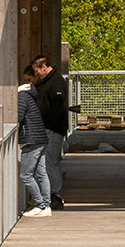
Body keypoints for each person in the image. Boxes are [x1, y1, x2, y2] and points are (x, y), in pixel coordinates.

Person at [31, 53, 70, 208]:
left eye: (36, 71)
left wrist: (49, 125)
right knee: (51, 161)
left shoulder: (56, 82)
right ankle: (53, 193)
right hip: (50, 128)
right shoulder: (48, 81)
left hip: (54, 129)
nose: (36, 74)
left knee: (50, 161)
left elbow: (58, 106)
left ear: (44, 67)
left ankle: (56, 195)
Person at [17, 66, 52, 215]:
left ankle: (40, 205)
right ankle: (46, 206)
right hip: (41, 138)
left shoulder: (22, 96)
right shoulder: (33, 95)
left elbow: (18, 116)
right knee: (41, 174)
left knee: (25, 175)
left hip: (31, 139)